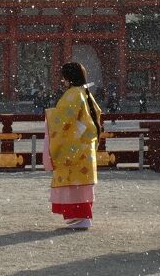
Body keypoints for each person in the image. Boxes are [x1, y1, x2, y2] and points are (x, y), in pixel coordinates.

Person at [43, 62, 102, 230]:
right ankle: (82, 215)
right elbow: (94, 119)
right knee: (81, 184)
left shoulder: (73, 94)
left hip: (74, 148)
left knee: (74, 184)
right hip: (83, 146)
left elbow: (62, 121)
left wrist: (50, 118)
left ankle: (81, 216)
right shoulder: (85, 93)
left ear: (68, 77)